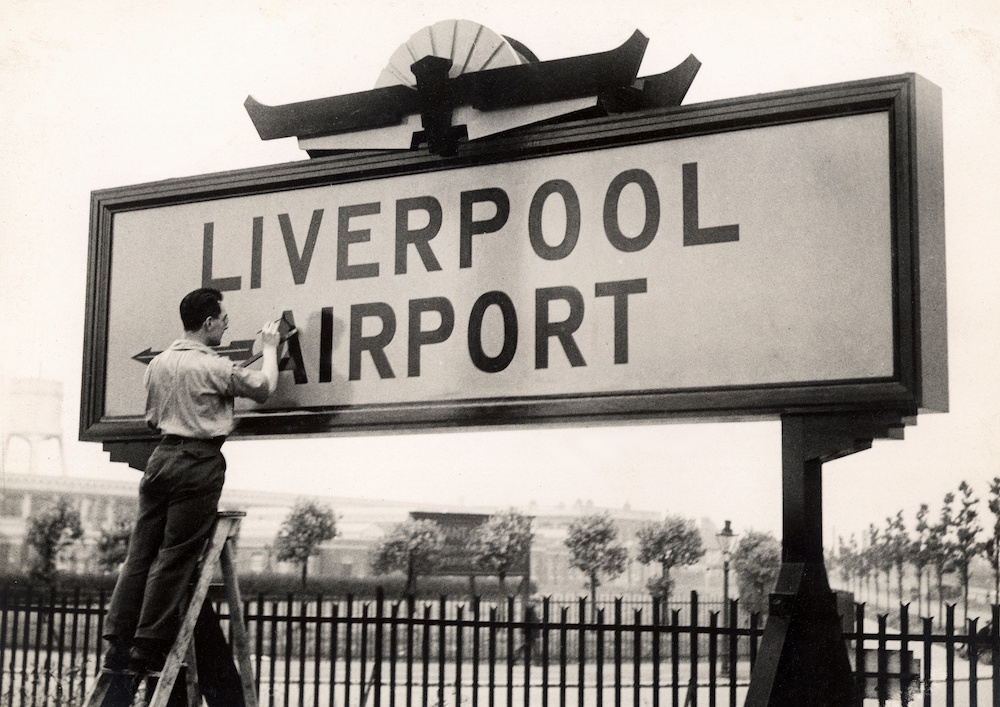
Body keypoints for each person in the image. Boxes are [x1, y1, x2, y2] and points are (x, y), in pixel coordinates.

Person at [102, 287, 281, 674]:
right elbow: (265, 388)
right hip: (198, 462)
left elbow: (152, 418)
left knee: (140, 553)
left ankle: (117, 640)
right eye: (223, 318)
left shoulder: (157, 365)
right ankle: (148, 646)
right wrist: (269, 349)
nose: (227, 324)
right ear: (208, 322)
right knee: (176, 556)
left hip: (160, 458)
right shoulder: (214, 367)